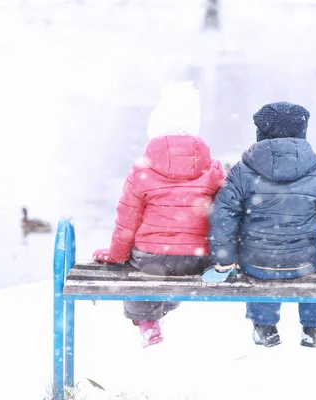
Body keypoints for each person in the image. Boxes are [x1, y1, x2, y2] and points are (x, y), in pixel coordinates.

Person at [203, 101, 316, 348]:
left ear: (260, 134)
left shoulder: (242, 172)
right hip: (304, 262)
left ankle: (265, 326)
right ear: (302, 134)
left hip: (256, 261)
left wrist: (223, 261)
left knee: (258, 266)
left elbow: (224, 217)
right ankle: (314, 326)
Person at [93, 82, 225, 348]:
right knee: (174, 271)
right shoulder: (212, 169)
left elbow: (127, 222)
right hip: (196, 260)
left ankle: (147, 321)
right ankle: (163, 309)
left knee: (139, 267)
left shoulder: (141, 170)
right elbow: (224, 217)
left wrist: (116, 254)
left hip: (150, 257)